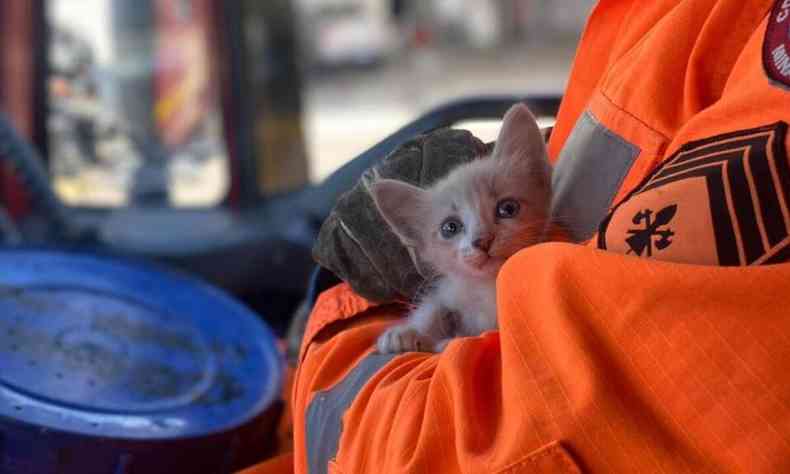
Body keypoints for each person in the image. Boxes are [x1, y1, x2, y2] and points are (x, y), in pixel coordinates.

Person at [245, 0, 790, 472]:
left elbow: (487, 445)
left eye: (499, 214)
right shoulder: (658, 16)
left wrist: (345, 308)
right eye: (456, 228)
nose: (480, 239)